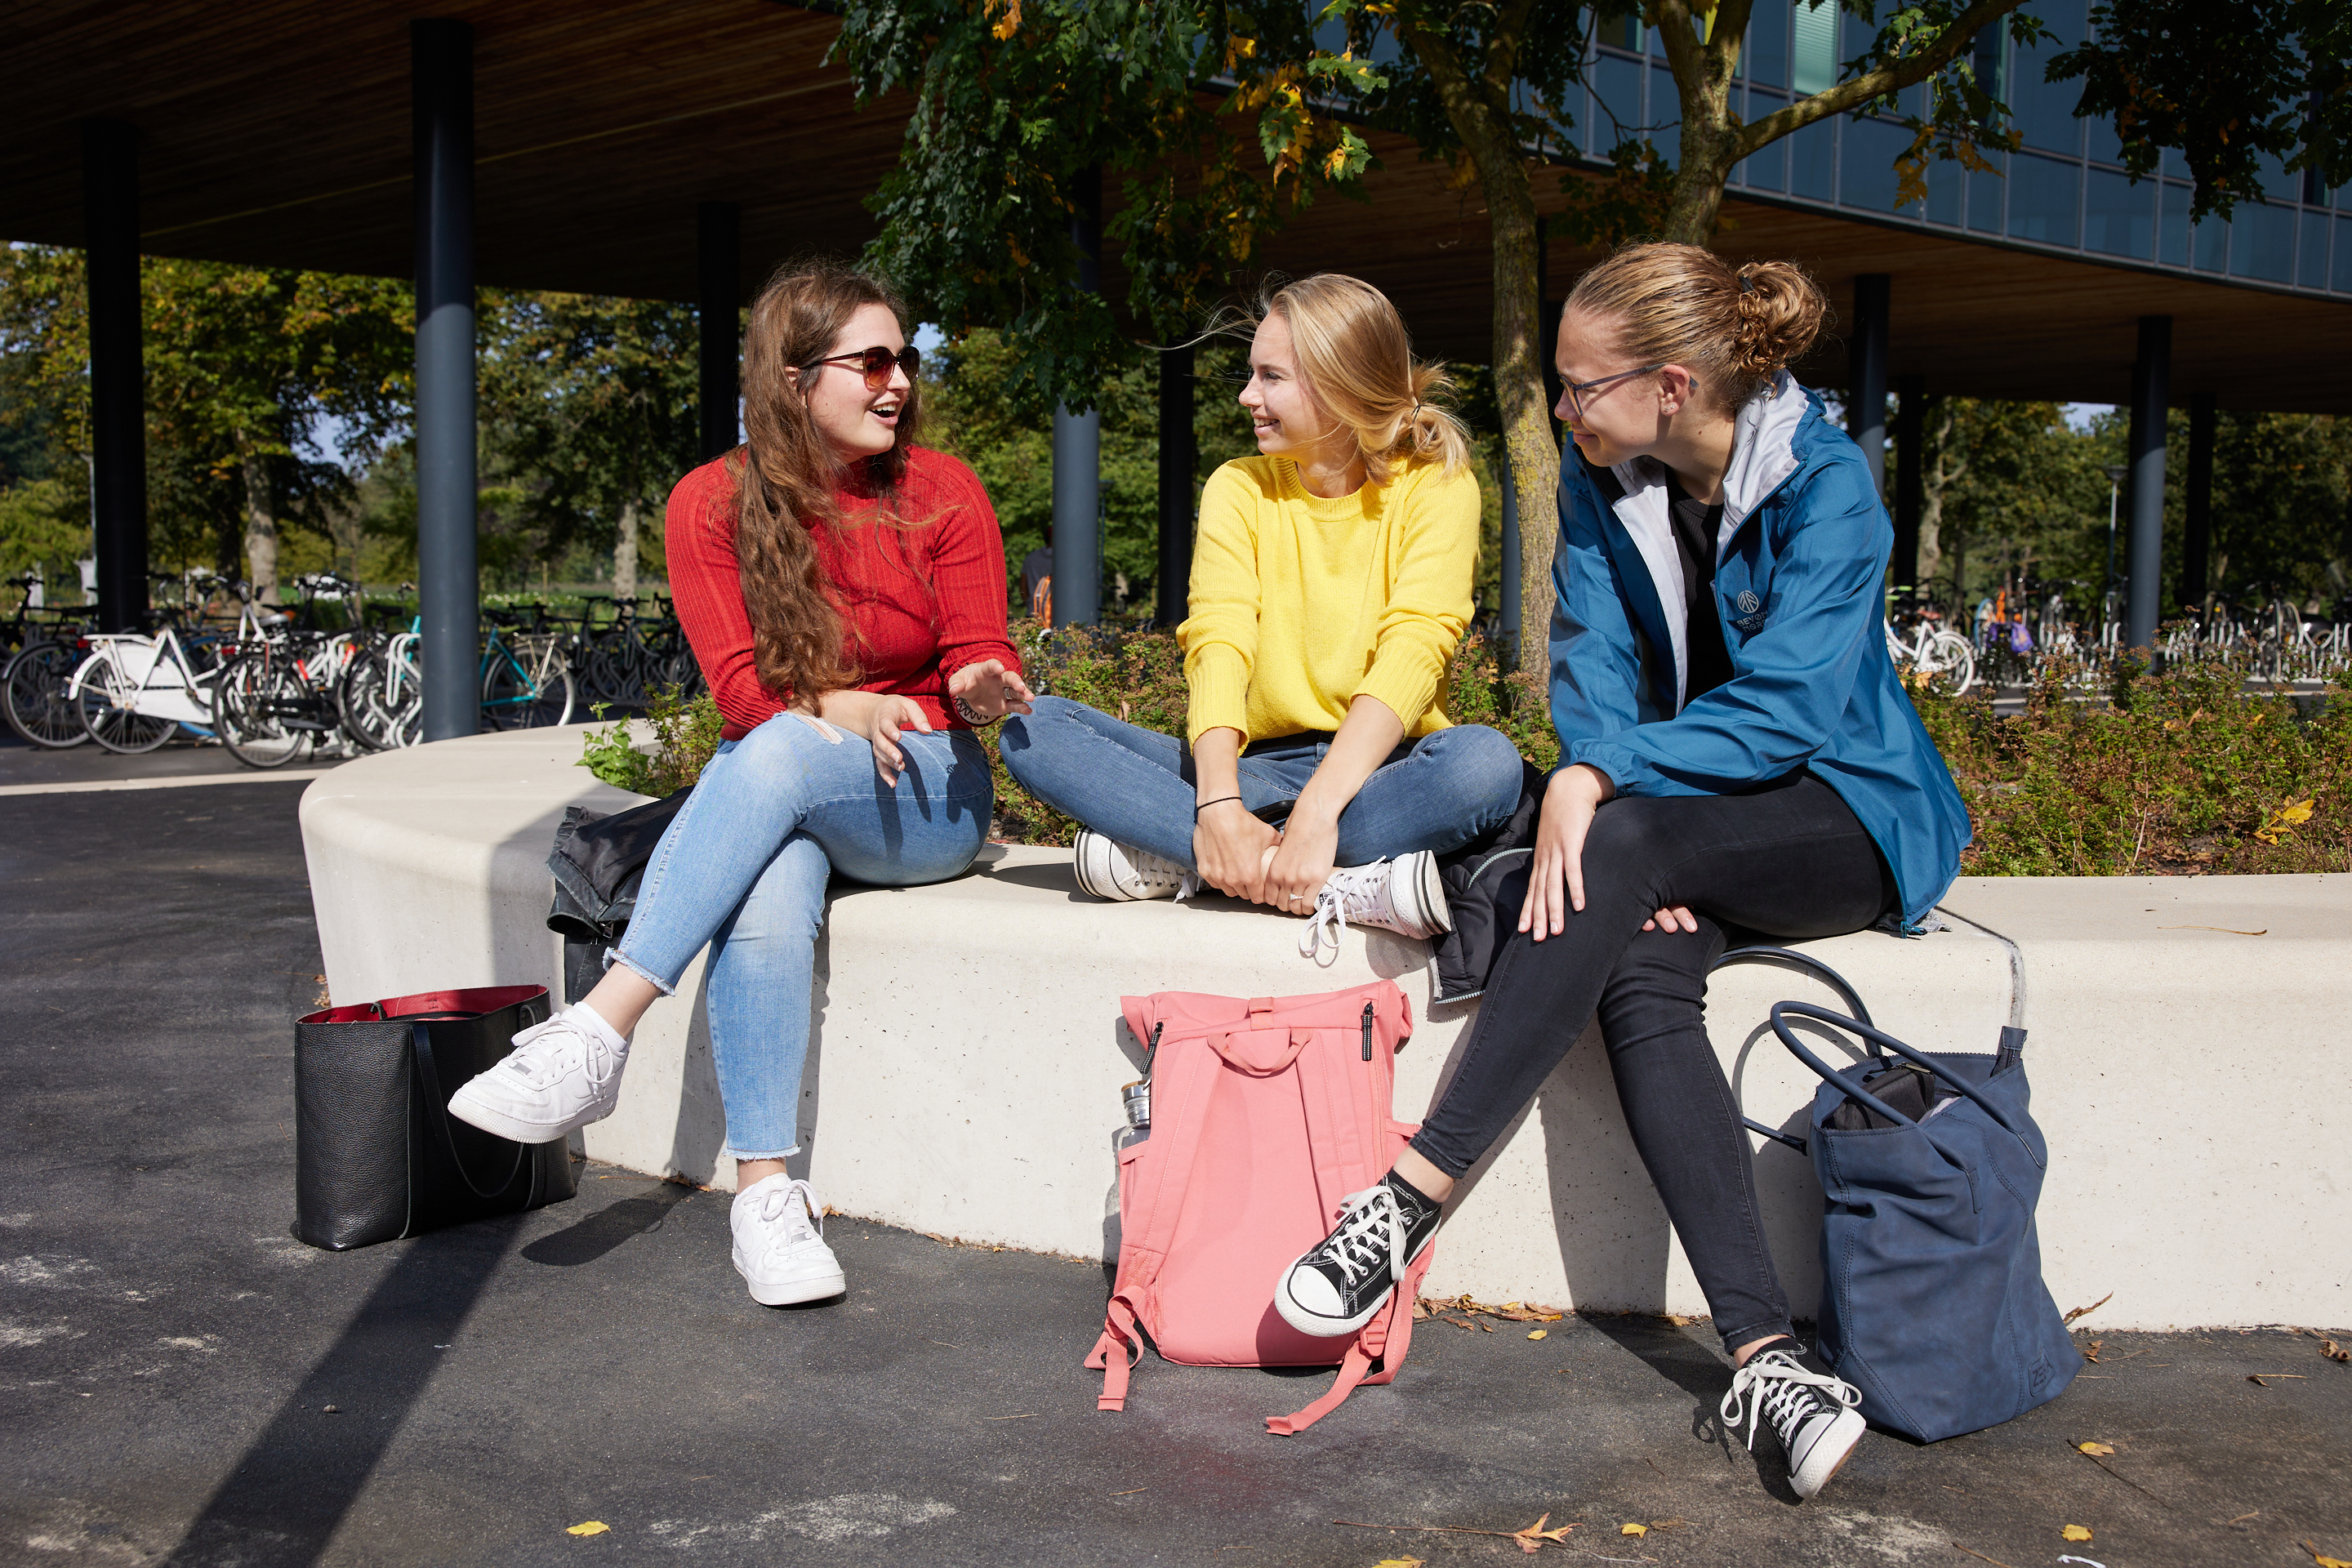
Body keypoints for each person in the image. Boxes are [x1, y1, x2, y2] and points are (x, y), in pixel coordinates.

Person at [1270, 244, 1971, 1499]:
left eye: (1580, 387)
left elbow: (1794, 710)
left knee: (1618, 836)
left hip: (1845, 814)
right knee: (1640, 964)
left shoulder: (1830, 486)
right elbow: (1589, 658)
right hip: (1681, 820)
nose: (1559, 408)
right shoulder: (1608, 481)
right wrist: (1601, 763)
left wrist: (1603, 780)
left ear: (1673, 383)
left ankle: (1413, 1193)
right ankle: (1767, 1357)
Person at [447, 259, 1033, 1307]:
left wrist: (980, 683)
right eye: (872, 361)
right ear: (795, 376)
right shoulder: (709, 503)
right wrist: (834, 709)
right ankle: (768, 1196)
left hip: (929, 787)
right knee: (774, 861)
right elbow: (740, 693)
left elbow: (971, 655)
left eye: (907, 357)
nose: (898, 380)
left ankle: (601, 1026)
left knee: (778, 762)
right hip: (794, 770)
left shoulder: (944, 492)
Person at [998, 274, 1526, 956]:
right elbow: (1218, 643)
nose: (1248, 396)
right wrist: (1219, 804)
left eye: (1270, 377)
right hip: (1254, 772)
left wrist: (1320, 809)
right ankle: (1322, 875)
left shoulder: (1437, 485)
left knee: (1485, 765)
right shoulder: (1238, 486)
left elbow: (1417, 649)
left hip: (1380, 772)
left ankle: (1199, 862)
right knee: (1034, 730)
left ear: (1339, 387)